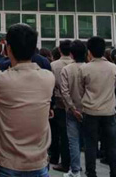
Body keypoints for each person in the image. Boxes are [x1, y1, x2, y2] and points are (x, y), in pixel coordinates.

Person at [0, 24, 55, 176]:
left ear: (8, 49)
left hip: (7, 163)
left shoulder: (2, 80)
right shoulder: (48, 78)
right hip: (38, 163)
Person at [81, 36, 116, 177]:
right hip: (109, 111)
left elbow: (81, 88)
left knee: (90, 144)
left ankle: (91, 172)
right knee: (111, 145)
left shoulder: (85, 68)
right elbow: (115, 84)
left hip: (90, 111)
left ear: (89, 51)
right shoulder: (113, 67)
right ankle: (114, 172)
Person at [61, 40, 87, 177]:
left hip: (72, 110)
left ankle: (75, 170)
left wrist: (72, 108)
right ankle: (90, 169)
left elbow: (64, 92)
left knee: (73, 141)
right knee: (89, 141)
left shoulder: (67, 69)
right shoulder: (89, 68)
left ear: (71, 54)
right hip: (88, 110)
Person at [50, 40, 74, 173]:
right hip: (75, 103)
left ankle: (60, 160)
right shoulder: (77, 64)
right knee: (73, 135)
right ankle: (73, 162)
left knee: (60, 133)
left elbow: (51, 84)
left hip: (59, 102)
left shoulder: (54, 65)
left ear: (59, 50)